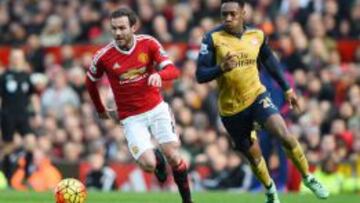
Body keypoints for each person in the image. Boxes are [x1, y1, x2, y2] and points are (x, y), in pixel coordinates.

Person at [196, 1, 329, 203]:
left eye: (232, 14)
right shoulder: (212, 38)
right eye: (224, 15)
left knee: (284, 134)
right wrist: (220, 68)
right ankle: (270, 190)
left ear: (243, 13)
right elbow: (200, 74)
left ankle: (308, 177)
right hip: (231, 109)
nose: (228, 18)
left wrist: (287, 88)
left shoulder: (256, 35)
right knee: (254, 156)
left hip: (257, 96)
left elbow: (270, 61)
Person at [85, 8, 193, 203]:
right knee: (148, 164)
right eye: (114, 28)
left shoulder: (148, 43)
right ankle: (157, 161)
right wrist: (100, 109)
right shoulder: (104, 56)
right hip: (131, 117)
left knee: (174, 156)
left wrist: (158, 75)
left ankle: (187, 201)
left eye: (122, 28)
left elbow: (173, 70)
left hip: (156, 108)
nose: (117, 33)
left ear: (133, 27)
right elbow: (90, 81)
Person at [0, 48, 41, 182]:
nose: (17, 59)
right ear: (10, 58)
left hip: (23, 116)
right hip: (7, 115)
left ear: (23, 59)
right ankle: (7, 177)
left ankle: (26, 176)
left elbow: (33, 96)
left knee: (31, 143)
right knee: (9, 147)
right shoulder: (4, 76)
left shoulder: (26, 76)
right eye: (15, 56)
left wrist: (37, 114)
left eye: (19, 56)